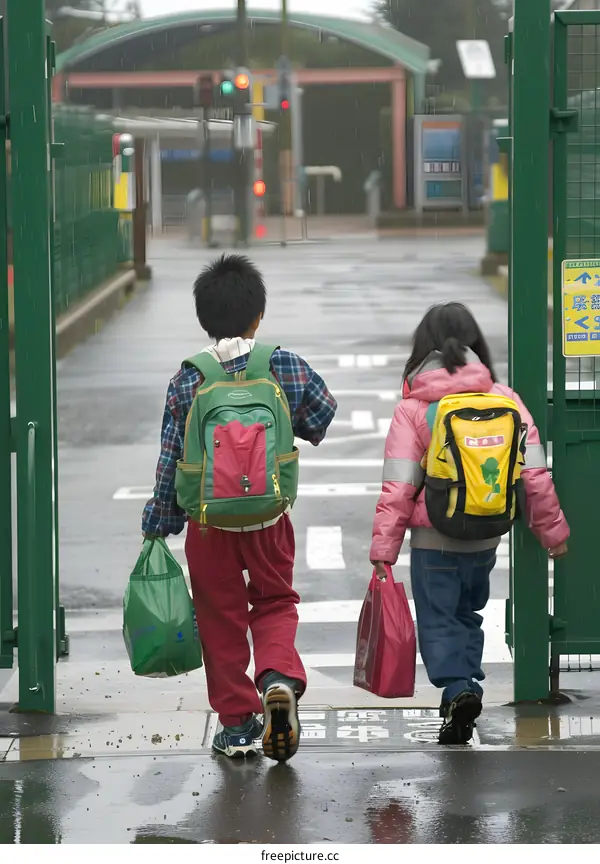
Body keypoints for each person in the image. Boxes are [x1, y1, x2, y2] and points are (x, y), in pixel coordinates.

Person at [142, 254, 337, 761]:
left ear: (205, 320)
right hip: (269, 515)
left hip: (209, 523)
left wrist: (160, 521)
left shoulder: (189, 379)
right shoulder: (282, 364)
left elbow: (171, 458)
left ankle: (235, 725)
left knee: (219, 616)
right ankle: (276, 678)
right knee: (274, 600)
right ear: (258, 316)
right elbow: (323, 414)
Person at [369, 302, 569, 745]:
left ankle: (458, 690)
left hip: (433, 538)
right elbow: (534, 476)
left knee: (438, 619)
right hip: (485, 536)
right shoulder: (506, 399)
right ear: (475, 345)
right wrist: (553, 534)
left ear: (422, 349)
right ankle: (465, 693)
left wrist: (383, 551)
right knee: (468, 614)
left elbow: (399, 488)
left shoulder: (415, 409)